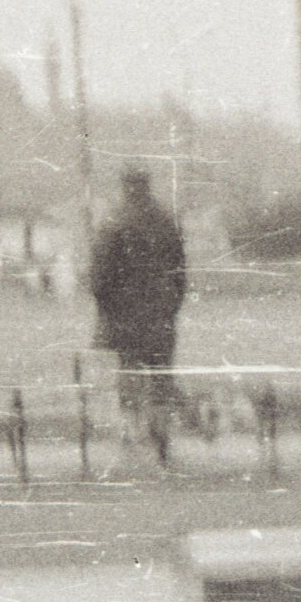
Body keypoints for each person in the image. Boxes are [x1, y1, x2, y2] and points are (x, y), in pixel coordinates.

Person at [89, 172, 191, 427]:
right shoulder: (166, 221)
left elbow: (100, 274)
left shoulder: (114, 221)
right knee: (161, 372)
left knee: (129, 367)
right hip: (160, 311)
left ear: (125, 187)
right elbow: (180, 271)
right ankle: (160, 429)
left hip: (125, 312)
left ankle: (133, 428)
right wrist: (171, 305)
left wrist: (105, 305)